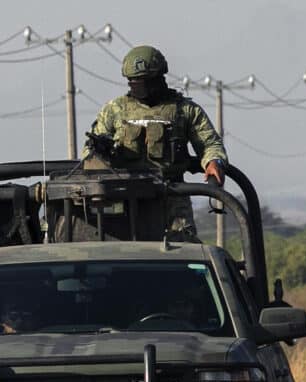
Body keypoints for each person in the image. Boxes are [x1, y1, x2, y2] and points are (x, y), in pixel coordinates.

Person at [84, 45, 227, 240]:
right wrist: (101, 153)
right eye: (133, 82)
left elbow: (210, 143)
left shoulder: (184, 110)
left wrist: (213, 162)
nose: (138, 86)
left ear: (159, 78)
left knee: (181, 251)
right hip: (124, 200)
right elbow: (89, 152)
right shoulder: (114, 110)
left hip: (172, 197)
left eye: (144, 81)